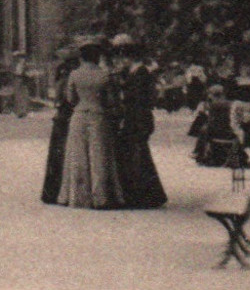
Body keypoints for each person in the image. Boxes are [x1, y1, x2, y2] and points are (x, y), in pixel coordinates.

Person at [56, 41, 124, 209]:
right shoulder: (104, 75)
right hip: (98, 116)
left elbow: (71, 99)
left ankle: (77, 196)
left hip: (79, 116)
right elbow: (110, 100)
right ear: (97, 57)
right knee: (99, 155)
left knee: (78, 155)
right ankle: (101, 197)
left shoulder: (74, 74)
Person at [113, 41, 167, 208]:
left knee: (137, 155)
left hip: (138, 118)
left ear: (129, 57)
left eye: (123, 57)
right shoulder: (136, 72)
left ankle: (142, 194)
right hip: (137, 117)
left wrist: (123, 92)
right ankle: (146, 193)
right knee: (139, 155)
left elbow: (138, 97)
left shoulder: (140, 73)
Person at [41, 48, 78, 204]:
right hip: (69, 113)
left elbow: (60, 94)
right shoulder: (71, 74)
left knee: (59, 152)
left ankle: (54, 190)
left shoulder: (64, 74)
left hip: (63, 114)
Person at [188, 84, 243, 166]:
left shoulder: (214, 105)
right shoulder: (232, 104)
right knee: (205, 128)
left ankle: (198, 152)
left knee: (204, 129)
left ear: (211, 95)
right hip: (231, 133)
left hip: (217, 134)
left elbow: (211, 120)